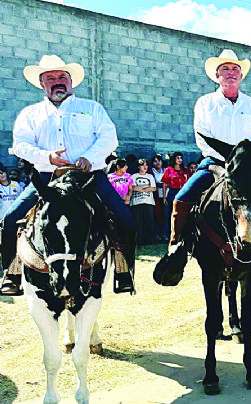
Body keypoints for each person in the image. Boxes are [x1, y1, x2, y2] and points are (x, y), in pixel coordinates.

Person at [1, 55, 136, 295]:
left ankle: (124, 272)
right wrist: (47, 157)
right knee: (11, 219)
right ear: (42, 84)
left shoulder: (92, 108)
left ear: (71, 81)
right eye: (50, 78)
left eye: (62, 77)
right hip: (47, 178)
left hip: (88, 177)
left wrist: (89, 157)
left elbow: (109, 137)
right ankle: (11, 274)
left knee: (125, 218)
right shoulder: (30, 114)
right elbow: (20, 145)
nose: (57, 82)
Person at [154, 49, 251, 282]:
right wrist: (231, 158)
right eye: (225, 69)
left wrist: (245, 159)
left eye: (235, 69)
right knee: (182, 198)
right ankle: (176, 249)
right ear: (217, 75)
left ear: (241, 76)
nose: (231, 73)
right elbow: (202, 136)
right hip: (215, 161)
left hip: (248, 167)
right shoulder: (205, 103)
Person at [161, 152, 188, 238]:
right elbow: (165, 184)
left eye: (181, 158)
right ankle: (167, 233)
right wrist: (164, 197)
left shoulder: (185, 169)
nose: (180, 160)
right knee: (170, 213)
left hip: (183, 192)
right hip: (172, 192)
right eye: (178, 158)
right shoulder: (168, 170)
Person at [130, 158, 157, 245]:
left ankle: (149, 240)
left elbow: (153, 188)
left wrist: (141, 188)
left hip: (149, 202)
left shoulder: (150, 176)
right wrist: (145, 187)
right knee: (138, 222)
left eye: (146, 165)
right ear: (138, 166)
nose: (145, 167)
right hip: (136, 202)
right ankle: (138, 240)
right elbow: (134, 188)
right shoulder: (134, 176)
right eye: (143, 165)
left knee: (149, 221)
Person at [150, 154, 168, 242]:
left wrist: (163, 185)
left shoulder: (166, 170)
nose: (158, 163)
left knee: (165, 215)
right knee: (156, 216)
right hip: (155, 197)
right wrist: (162, 185)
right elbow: (154, 184)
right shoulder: (152, 171)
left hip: (165, 196)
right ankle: (156, 235)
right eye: (155, 161)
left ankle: (164, 234)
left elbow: (168, 182)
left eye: (159, 160)